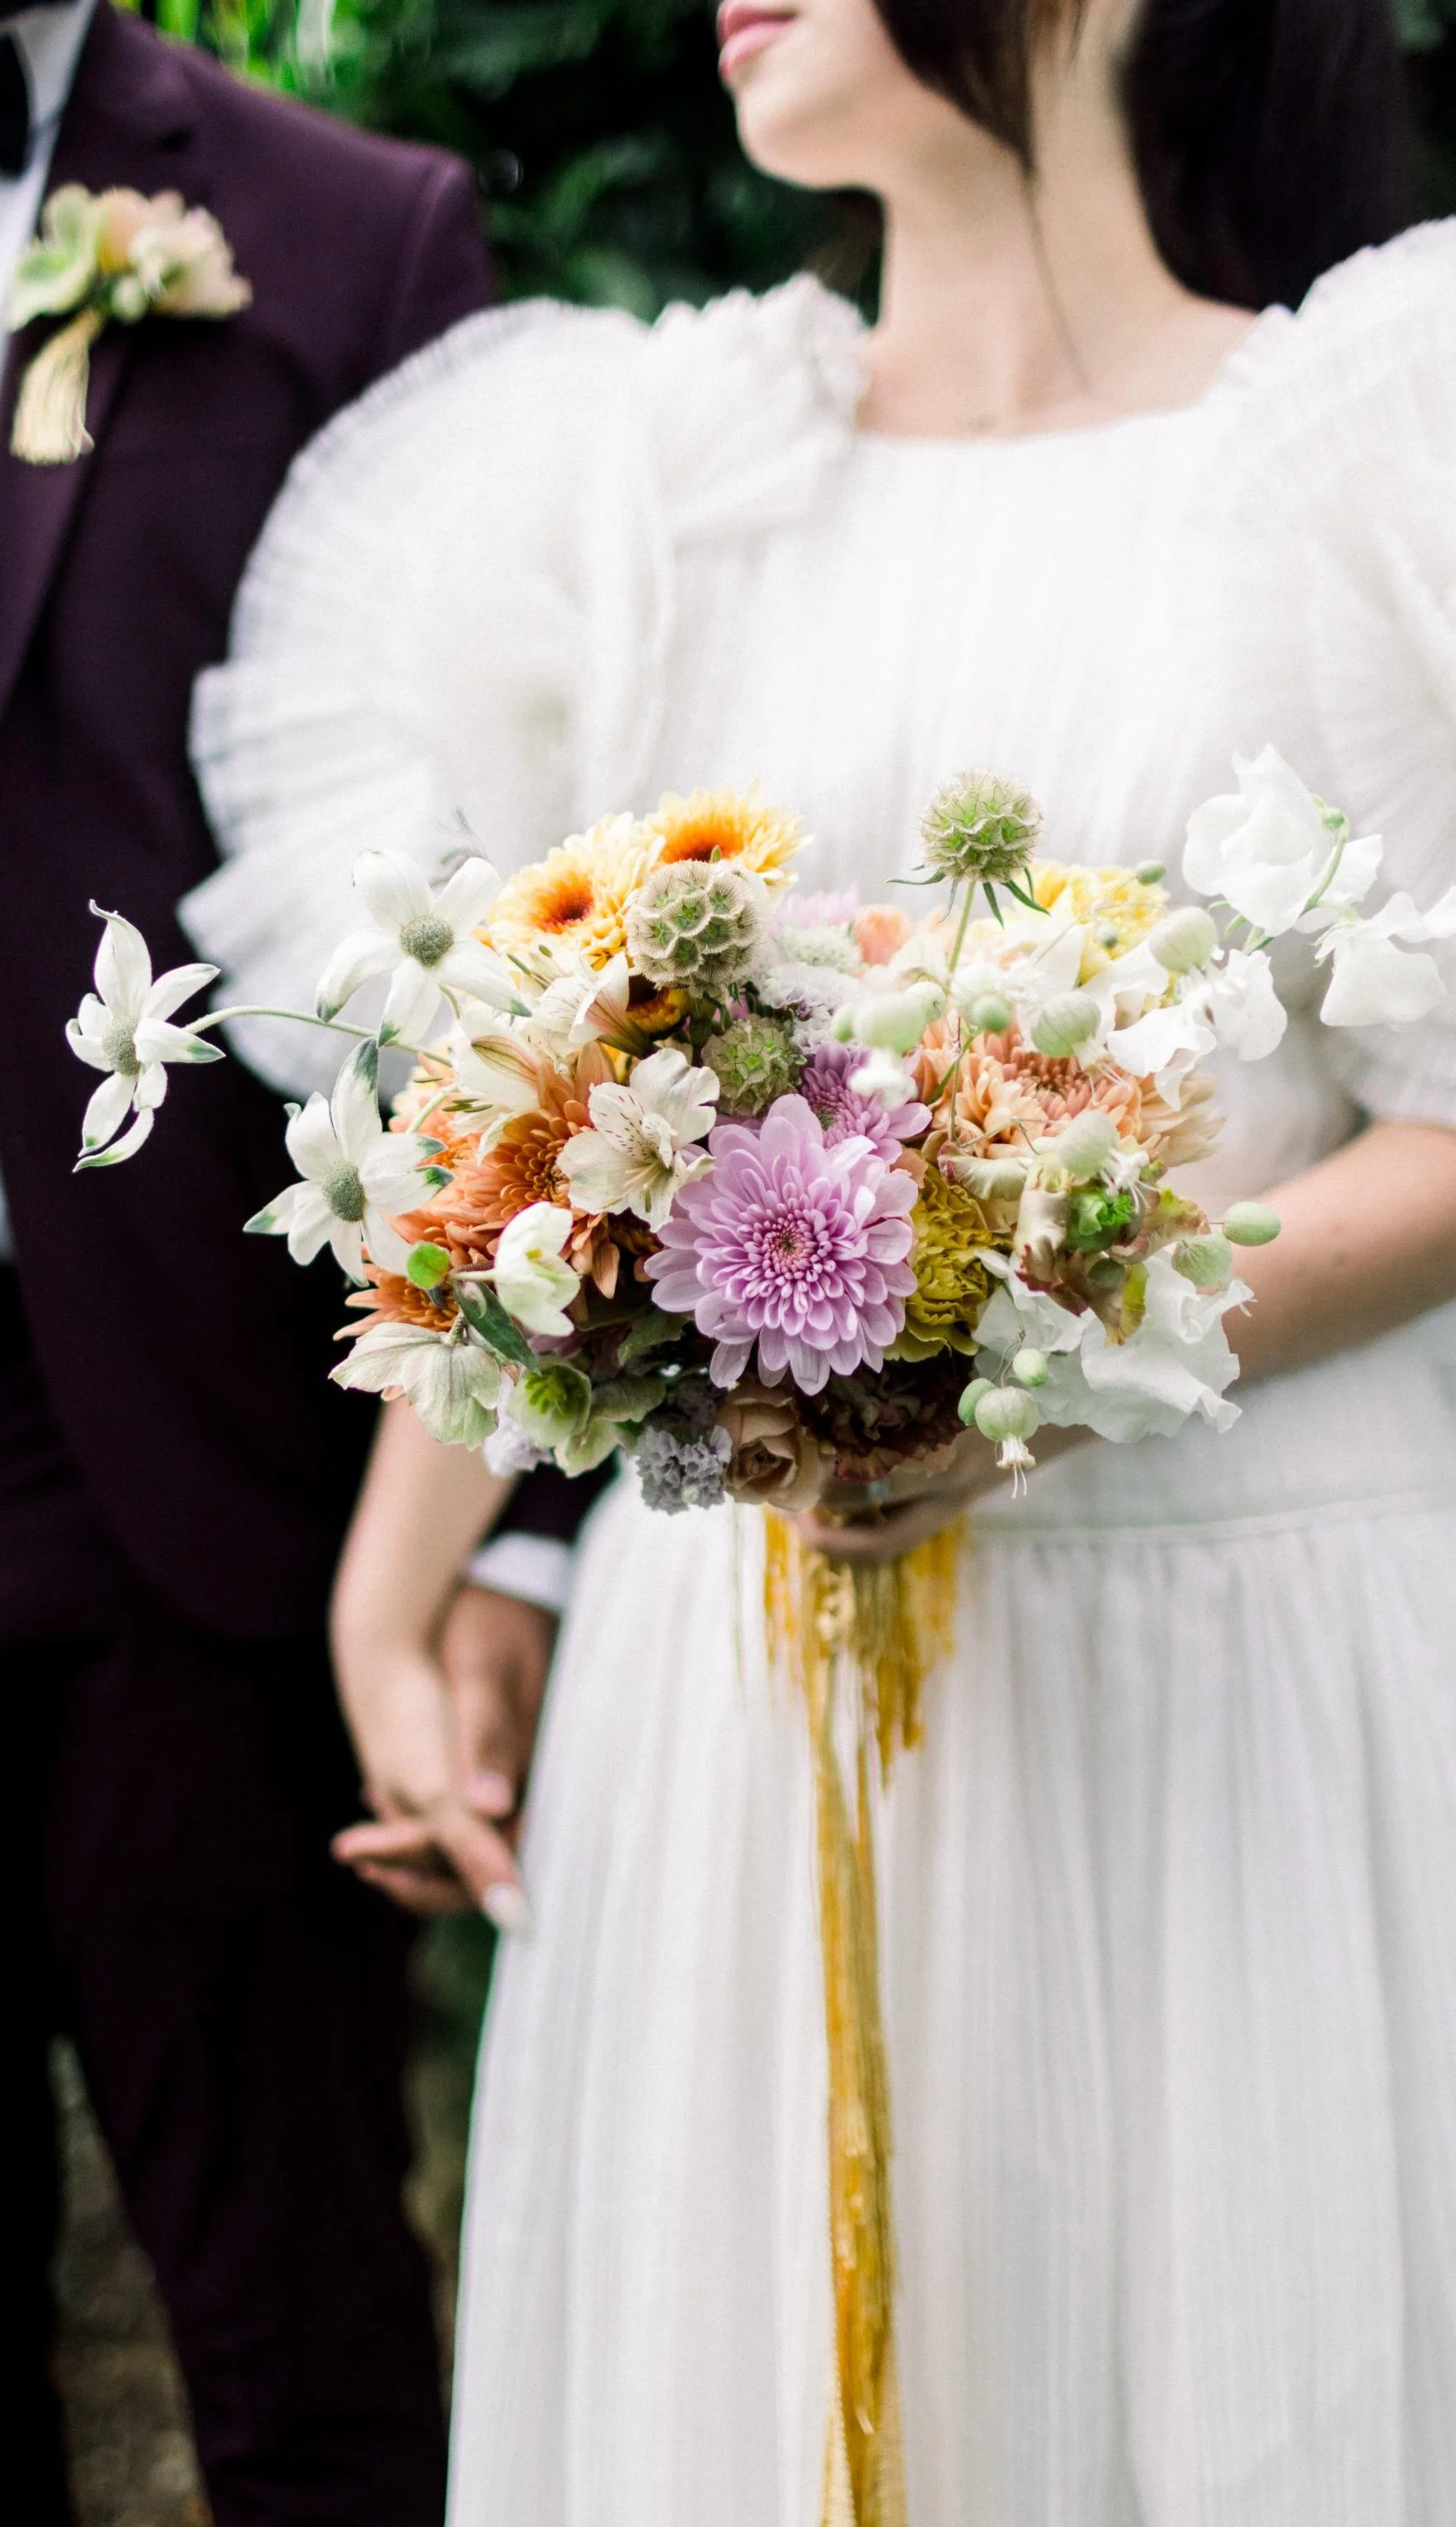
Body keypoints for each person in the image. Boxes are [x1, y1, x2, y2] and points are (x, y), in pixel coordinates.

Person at [186, 0, 1456, 2515]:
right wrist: (404, 1578)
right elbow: (548, 1118)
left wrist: (1054, 1349)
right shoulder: (659, 492)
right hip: (742, 1705)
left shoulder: (1365, 455)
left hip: (1225, 1661)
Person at [0, 3, 565, 2520]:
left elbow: (521, 911)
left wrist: (509, 1522)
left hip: (188, 1444)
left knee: (310, 2350)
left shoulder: (352, 242)